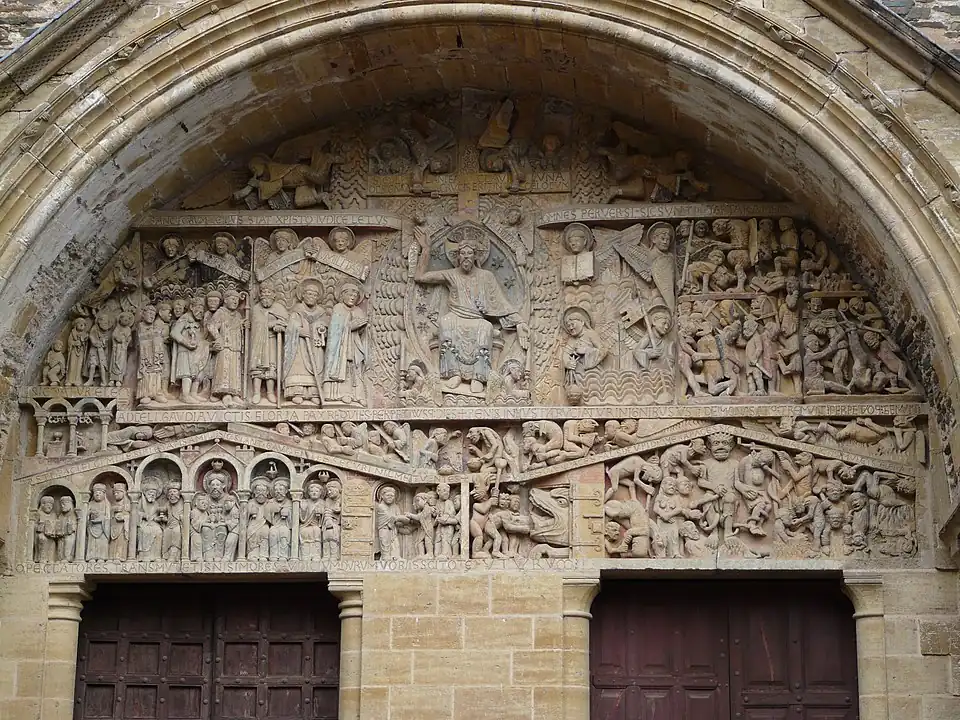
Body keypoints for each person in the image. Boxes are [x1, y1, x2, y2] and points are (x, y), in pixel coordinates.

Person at [414, 225, 529, 395]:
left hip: (477, 319)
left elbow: (500, 303)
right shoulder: (451, 274)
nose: (466, 257)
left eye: (470, 254)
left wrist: (519, 322)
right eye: (463, 254)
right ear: (457, 256)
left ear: (476, 256)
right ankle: (454, 374)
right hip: (456, 316)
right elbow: (420, 277)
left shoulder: (486, 276)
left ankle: (478, 377)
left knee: (486, 327)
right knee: (446, 323)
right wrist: (426, 249)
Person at [283, 278, 328, 405]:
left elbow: (326, 325)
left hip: (315, 344)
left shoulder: (321, 312)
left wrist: (321, 328)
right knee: (299, 365)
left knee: (317, 366)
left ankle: (314, 392)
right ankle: (297, 391)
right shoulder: (297, 310)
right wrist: (298, 330)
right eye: (309, 294)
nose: (312, 297)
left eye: (315, 295)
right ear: (302, 295)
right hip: (299, 345)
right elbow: (291, 326)